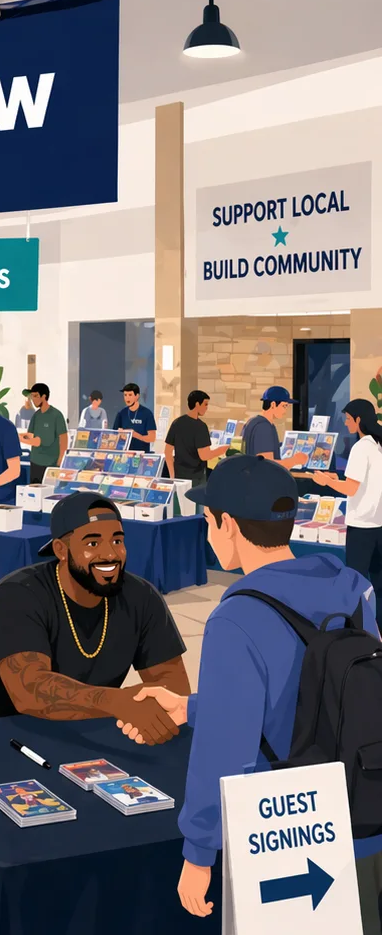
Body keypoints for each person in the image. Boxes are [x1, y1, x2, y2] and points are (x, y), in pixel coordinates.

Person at [134, 455, 382, 929]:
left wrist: (199, 854)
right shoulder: (354, 588)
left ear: (228, 524)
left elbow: (225, 750)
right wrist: (190, 707)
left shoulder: (237, 617)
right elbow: (309, 692)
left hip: (286, 834)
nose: (208, 532)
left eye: (209, 520)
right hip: (362, 808)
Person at [0, 493, 191, 736]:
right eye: (92, 544)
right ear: (61, 550)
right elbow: (30, 691)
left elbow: (174, 687)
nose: (110, 555)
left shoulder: (142, 596)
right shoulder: (16, 594)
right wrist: (116, 702)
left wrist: (142, 705)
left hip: (94, 734)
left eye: (117, 541)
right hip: (7, 736)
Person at [310, 398, 382, 595]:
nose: (345, 422)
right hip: (379, 525)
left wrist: (327, 482)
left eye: (348, 418)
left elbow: (351, 489)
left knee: (355, 585)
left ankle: (357, 624)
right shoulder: (378, 445)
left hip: (361, 528)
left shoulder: (361, 447)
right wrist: (339, 477)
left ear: (359, 420)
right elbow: (368, 480)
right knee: (379, 584)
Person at [163, 390, 226, 488]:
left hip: (179, 477)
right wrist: (222, 450)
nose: (206, 408)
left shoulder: (177, 423)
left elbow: (167, 452)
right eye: (205, 404)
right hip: (196, 479)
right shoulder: (201, 427)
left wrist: (172, 476)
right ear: (197, 404)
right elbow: (204, 455)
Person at [241, 385, 309, 467]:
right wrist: (295, 460)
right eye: (284, 406)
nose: (285, 411)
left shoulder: (252, 422)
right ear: (273, 404)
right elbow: (267, 465)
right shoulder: (263, 427)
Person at [18, 383, 68, 485]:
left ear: (44, 396)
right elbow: (30, 435)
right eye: (32, 396)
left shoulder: (56, 415)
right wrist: (17, 435)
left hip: (50, 464)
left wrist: (60, 461)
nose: (33, 399)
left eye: (36, 396)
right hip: (35, 463)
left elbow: (63, 438)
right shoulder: (36, 415)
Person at [114, 383, 157, 453]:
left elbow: (152, 438)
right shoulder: (121, 413)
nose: (127, 398)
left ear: (137, 396)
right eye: (125, 395)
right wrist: (120, 435)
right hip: (125, 454)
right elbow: (114, 435)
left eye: (130, 395)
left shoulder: (147, 413)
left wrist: (136, 435)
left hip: (142, 455)